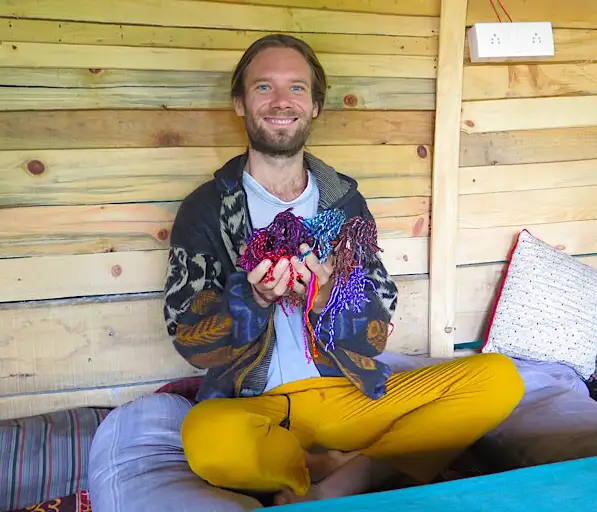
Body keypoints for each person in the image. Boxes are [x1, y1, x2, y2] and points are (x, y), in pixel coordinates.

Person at [88, 34, 524, 510]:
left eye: (296, 88)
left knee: (499, 377)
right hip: (257, 408)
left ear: (315, 105)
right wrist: (250, 300)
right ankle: (325, 469)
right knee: (207, 438)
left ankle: (352, 475)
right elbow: (190, 340)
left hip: (349, 394)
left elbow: (374, 334)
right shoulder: (207, 209)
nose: (281, 102)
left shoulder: (344, 203)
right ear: (239, 103)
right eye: (262, 88)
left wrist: (324, 298)